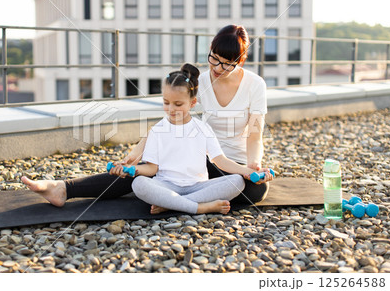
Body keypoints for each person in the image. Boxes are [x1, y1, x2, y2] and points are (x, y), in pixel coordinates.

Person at [22, 24, 271, 208]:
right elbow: (167, 123)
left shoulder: (255, 84)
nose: (217, 69)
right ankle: (64, 188)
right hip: (199, 160)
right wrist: (136, 153)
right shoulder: (200, 82)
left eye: (227, 64)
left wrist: (252, 165)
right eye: (214, 59)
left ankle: (169, 202)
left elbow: (255, 134)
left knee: (256, 190)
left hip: (234, 166)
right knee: (140, 171)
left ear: (241, 61)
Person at [109, 64, 272, 214]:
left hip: (198, 187)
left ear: (193, 102)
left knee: (237, 181)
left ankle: (171, 204)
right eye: (166, 103)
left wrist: (249, 172)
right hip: (166, 185)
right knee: (138, 184)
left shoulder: (202, 128)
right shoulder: (157, 130)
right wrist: (133, 169)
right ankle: (200, 207)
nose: (171, 109)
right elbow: (152, 169)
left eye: (178, 104)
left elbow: (221, 161)